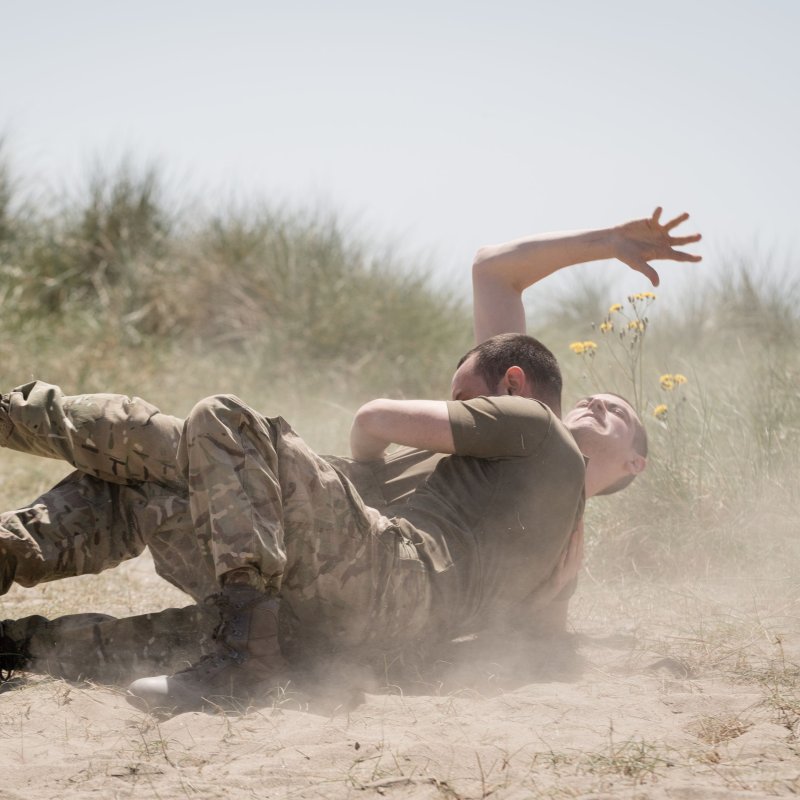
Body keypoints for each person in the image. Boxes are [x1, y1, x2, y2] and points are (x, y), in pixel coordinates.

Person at [0, 207, 700, 700]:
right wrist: (608, 239)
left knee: (200, 433)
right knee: (141, 483)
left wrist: (362, 463)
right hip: (309, 565)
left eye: (620, 413)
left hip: (352, 581)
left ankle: (237, 653)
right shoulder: (510, 428)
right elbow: (494, 274)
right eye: (593, 396)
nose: (599, 404)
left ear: (633, 467)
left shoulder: (549, 494)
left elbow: (529, 647)